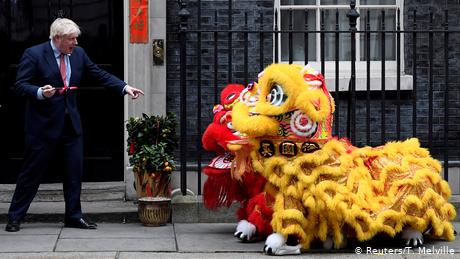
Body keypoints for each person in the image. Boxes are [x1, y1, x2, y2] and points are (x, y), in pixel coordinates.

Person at [5, 18, 144, 232]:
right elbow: (20, 85)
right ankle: (15, 217)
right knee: (31, 172)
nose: (75, 42)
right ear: (57, 38)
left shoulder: (78, 54)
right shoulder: (34, 54)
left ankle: (73, 215)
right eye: (71, 39)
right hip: (43, 126)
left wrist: (124, 87)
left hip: (71, 125)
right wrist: (41, 92)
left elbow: (99, 73)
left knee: (74, 172)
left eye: (76, 38)